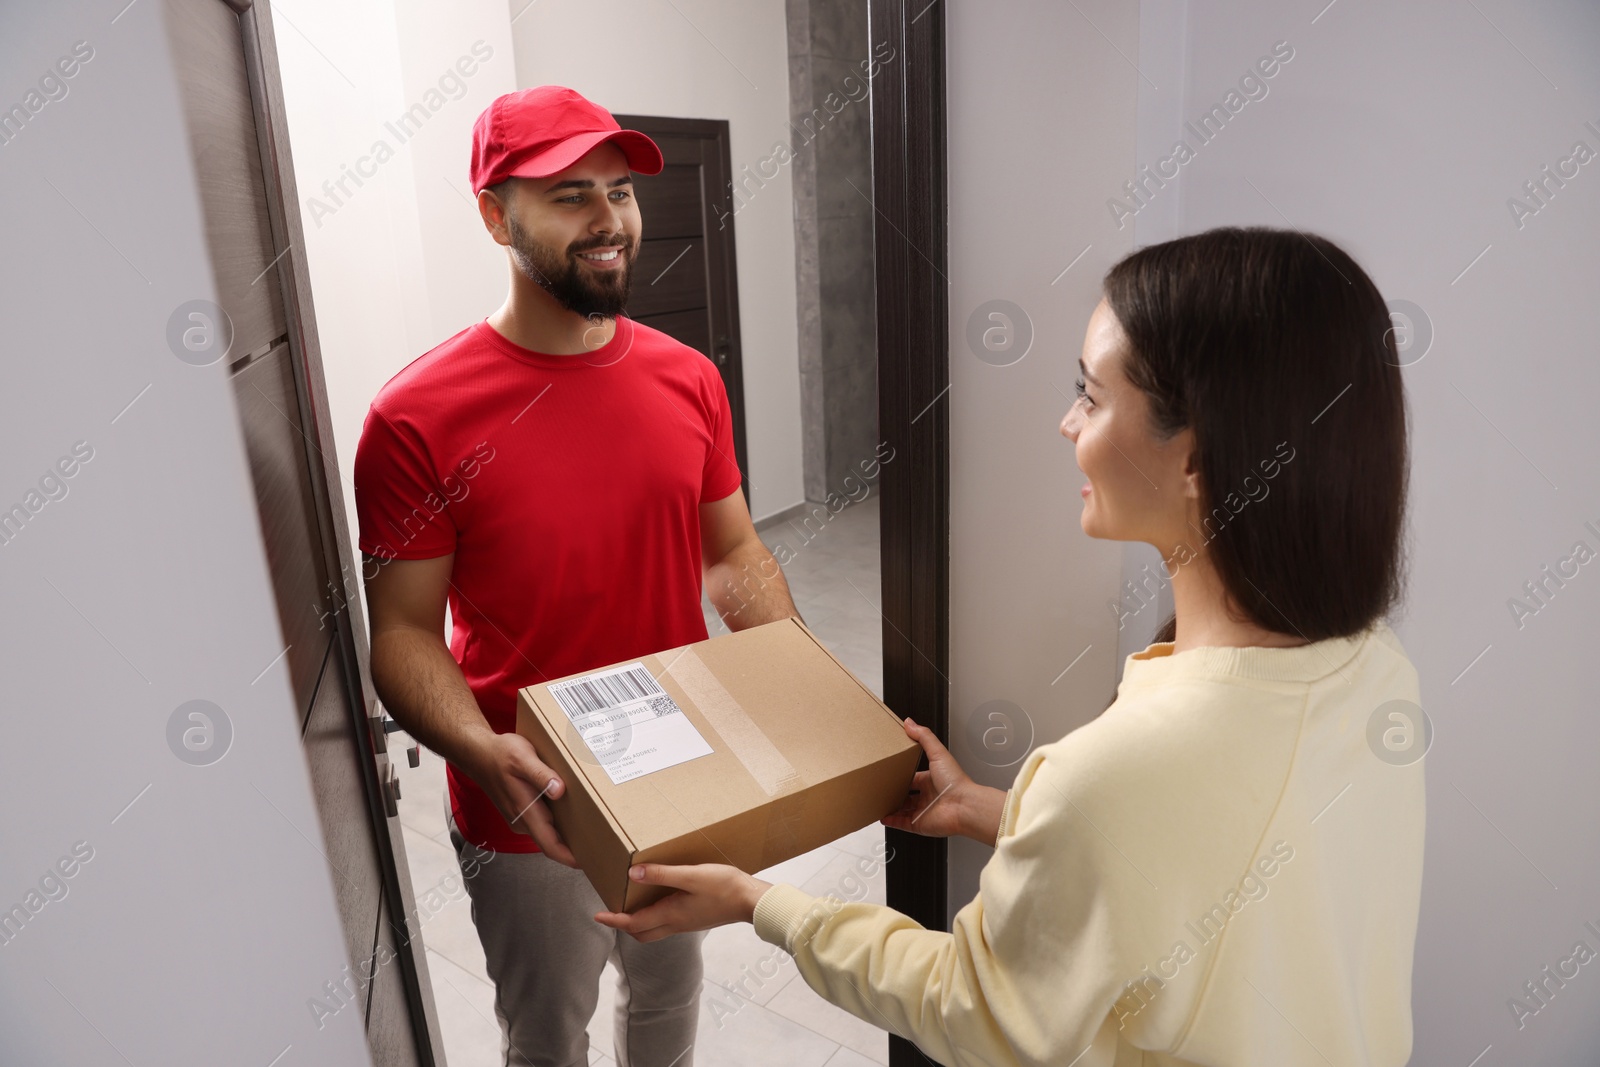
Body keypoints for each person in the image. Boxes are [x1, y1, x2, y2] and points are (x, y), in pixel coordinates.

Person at [596, 226, 1426, 1066]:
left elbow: (973, 1008)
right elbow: (1203, 865)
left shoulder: (1120, 771)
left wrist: (756, 902)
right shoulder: (1374, 672)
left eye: (1091, 396)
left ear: (1197, 458)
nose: (1067, 423)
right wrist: (996, 813)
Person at [355, 85, 799, 1067]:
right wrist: (482, 751)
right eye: (569, 195)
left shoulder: (688, 376)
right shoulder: (416, 416)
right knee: (549, 1035)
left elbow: (730, 552)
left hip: (678, 769)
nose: (609, 220)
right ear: (493, 214)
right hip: (529, 804)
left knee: (668, 998)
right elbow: (402, 631)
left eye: (620, 191)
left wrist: (795, 673)